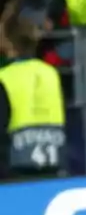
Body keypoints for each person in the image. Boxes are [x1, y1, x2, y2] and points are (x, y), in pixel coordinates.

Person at [0, 16, 66, 179]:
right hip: (54, 166)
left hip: (15, 171)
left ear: (8, 43)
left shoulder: (5, 76)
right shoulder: (51, 73)